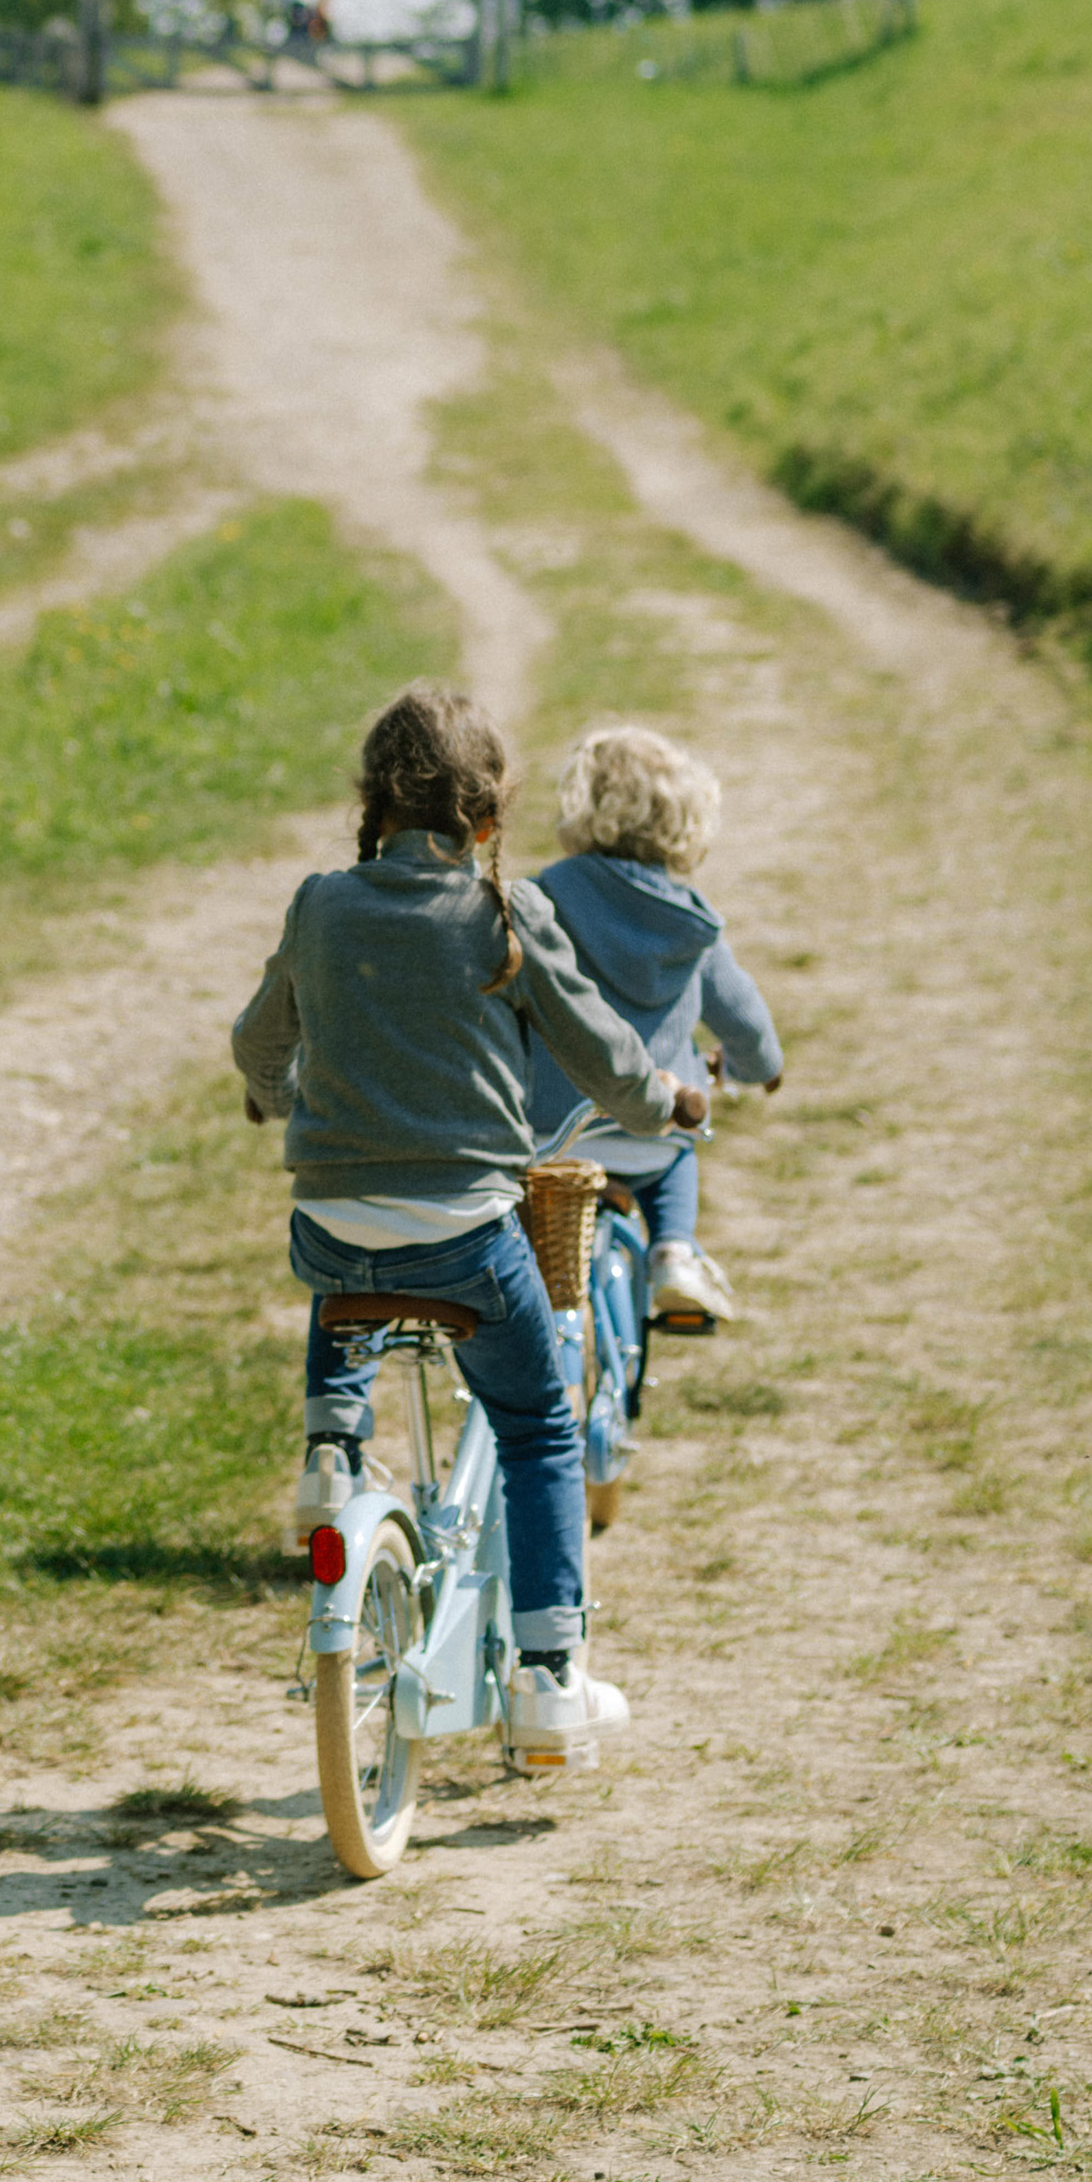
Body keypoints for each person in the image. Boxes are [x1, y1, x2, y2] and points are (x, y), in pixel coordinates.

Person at [232, 680, 710, 1773]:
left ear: (371, 803)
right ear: (486, 818)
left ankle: (330, 1440)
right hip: (466, 1235)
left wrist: (273, 1088)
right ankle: (546, 1679)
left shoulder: (317, 903)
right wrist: (666, 1102)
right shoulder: (507, 912)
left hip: (333, 1233)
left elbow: (259, 1039)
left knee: (345, 1237)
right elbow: (602, 1053)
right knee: (541, 1419)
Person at [525, 722, 784, 1338]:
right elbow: (742, 1017)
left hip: (553, 1135)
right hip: (655, 1131)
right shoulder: (688, 922)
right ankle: (674, 1252)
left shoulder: (539, 899)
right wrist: (757, 1068)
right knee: (676, 1162)